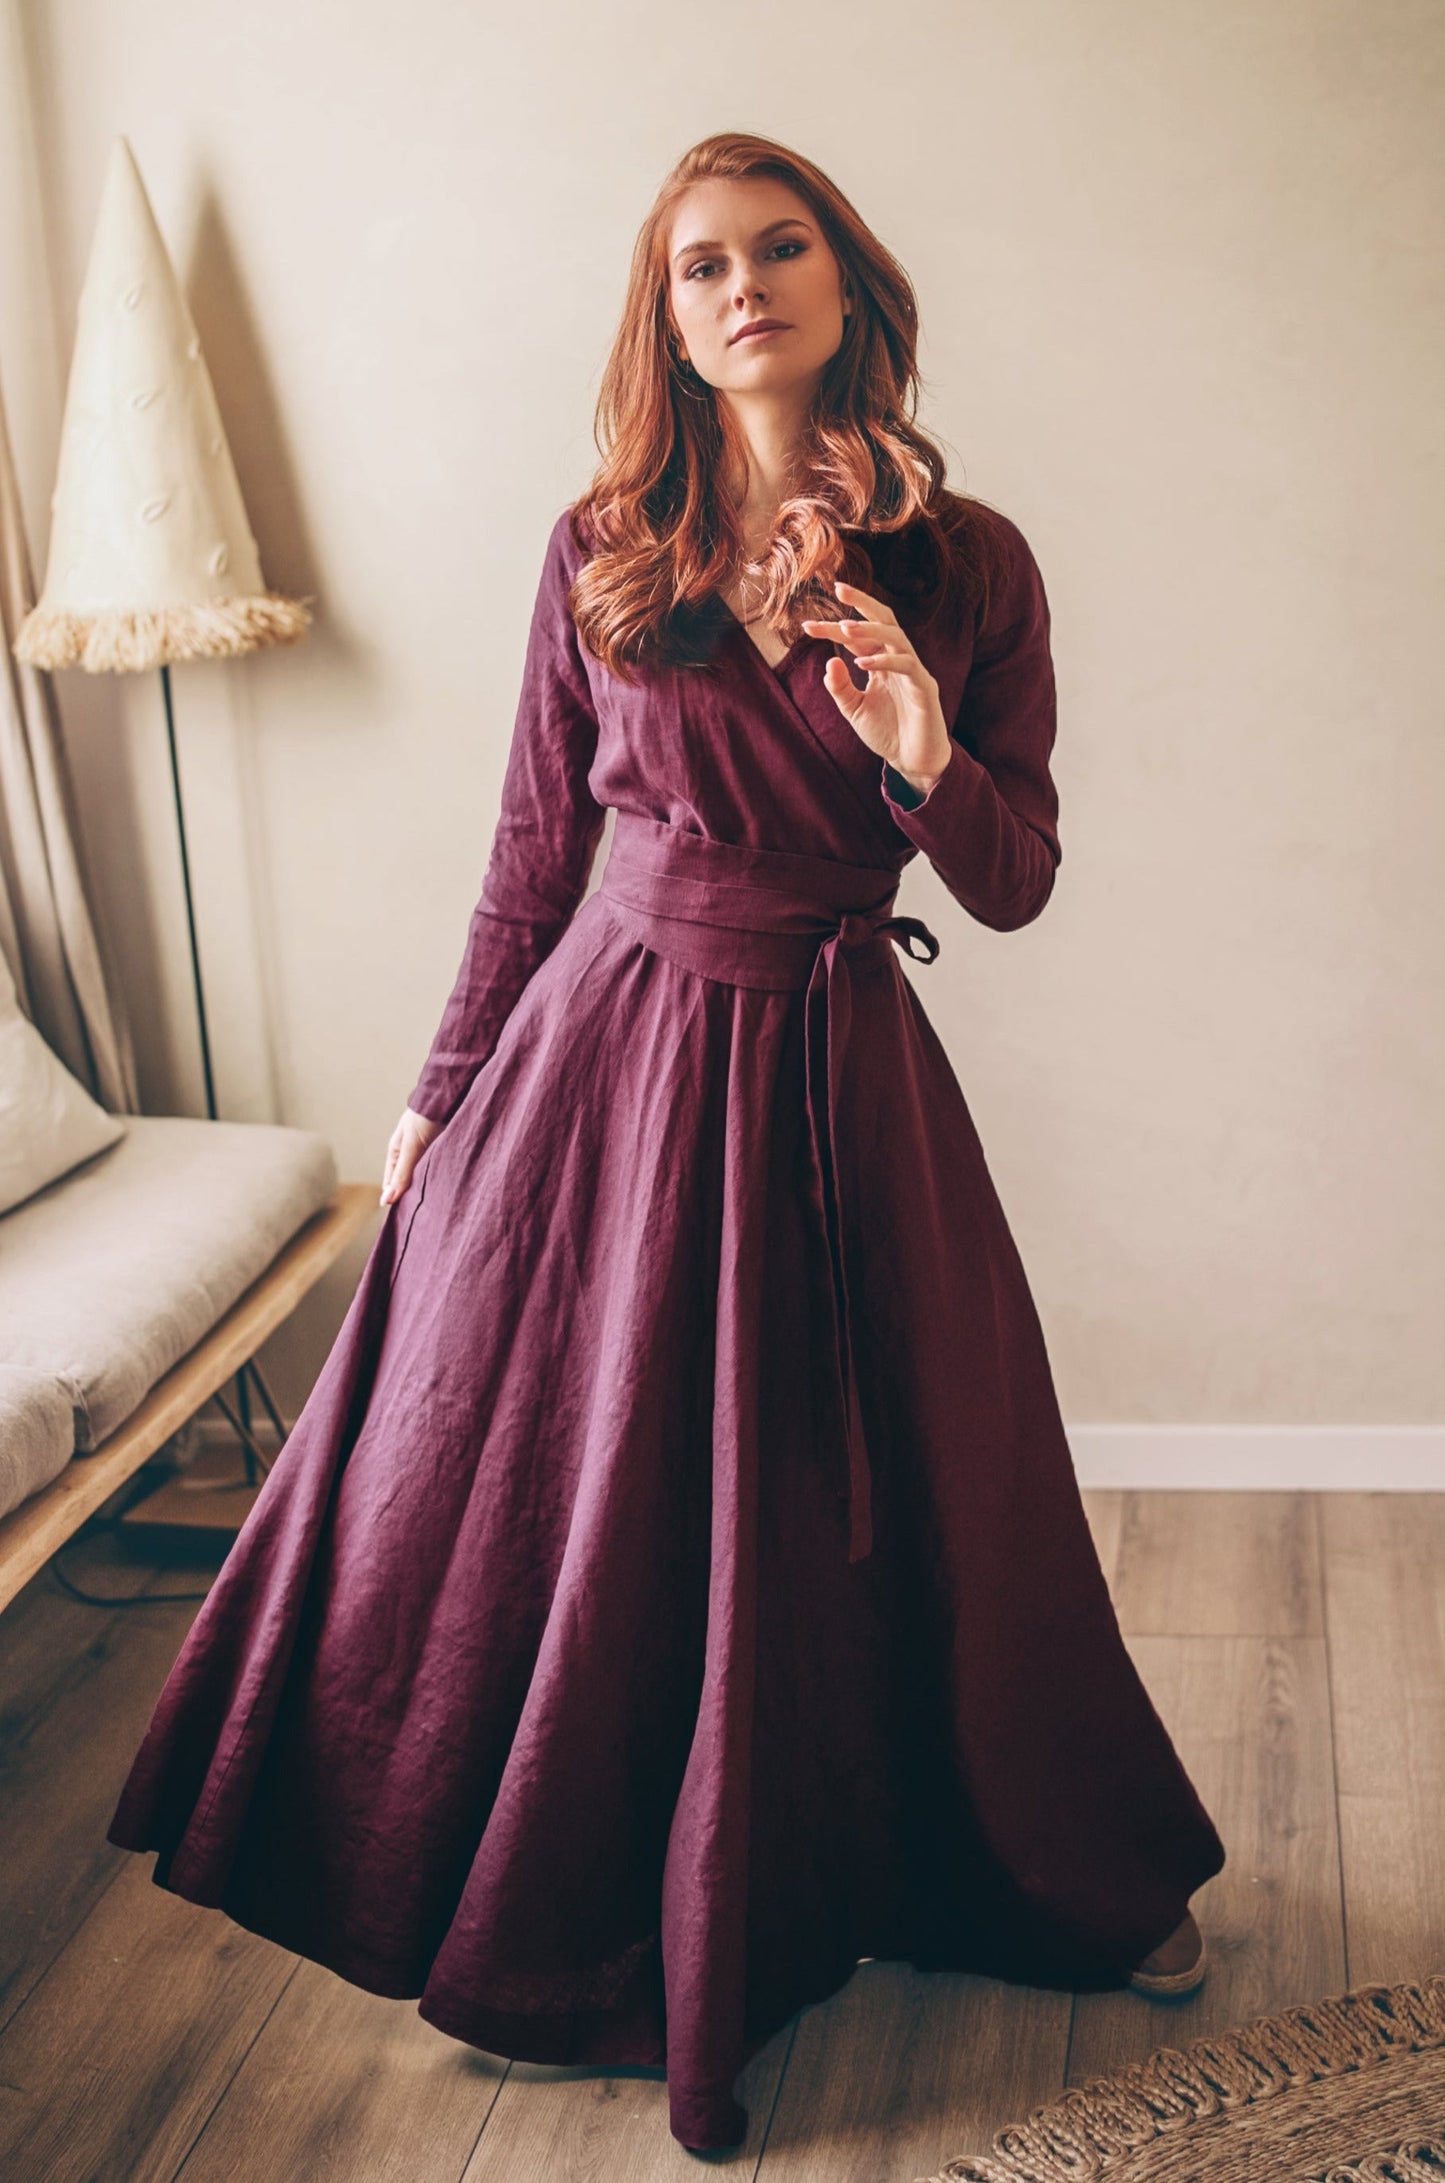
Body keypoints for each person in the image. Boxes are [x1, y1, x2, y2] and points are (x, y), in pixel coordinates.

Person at [107, 130, 1226, 2155]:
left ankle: (1033, 1868)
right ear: (669, 320)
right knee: (571, 1486)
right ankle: (581, 1909)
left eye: (779, 248)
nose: (742, 286)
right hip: (602, 1067)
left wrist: (923, 753)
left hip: (835, 1059)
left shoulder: (970, 564)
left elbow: (1016, 880)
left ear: (847, 284)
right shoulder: (600, 547)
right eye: (700, 265)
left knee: (938, 1485)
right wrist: (441, 1088)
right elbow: (534, 846)